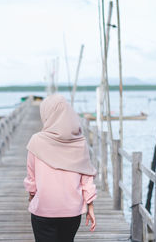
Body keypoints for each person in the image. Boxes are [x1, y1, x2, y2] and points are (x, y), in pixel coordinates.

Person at [23, 94, 97, 242]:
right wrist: (90, 206)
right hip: (72, 212)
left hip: (43, 210)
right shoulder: (80, 142)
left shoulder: (36, 141)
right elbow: (87, 178)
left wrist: (32, 196)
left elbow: (32, 178)